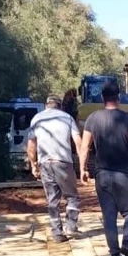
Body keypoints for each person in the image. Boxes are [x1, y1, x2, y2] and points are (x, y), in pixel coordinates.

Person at [80, 79, 128, 256]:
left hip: (102, 175)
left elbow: (85, 147)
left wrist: (82, 169)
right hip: (124, 175)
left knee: (109, 215)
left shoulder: (92, 119)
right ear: (118, 97)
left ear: (102, 97)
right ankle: (127, 243)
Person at [27, 95, 84, 242]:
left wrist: (33, 165)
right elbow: (78, 141)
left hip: (45, 163)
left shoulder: (37, 119)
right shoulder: (67, 118)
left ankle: (57, 233)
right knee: (72, 197)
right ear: (60, 106)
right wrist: (82, 164)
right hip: (63, 162)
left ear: (46, 105)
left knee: (52, 200)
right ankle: (71, 226)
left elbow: (31, 145)